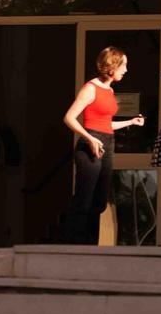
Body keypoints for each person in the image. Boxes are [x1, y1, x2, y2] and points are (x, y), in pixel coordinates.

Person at [61, 47, 145, 244]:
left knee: (99, 201)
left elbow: (106, 124)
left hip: (107, 142)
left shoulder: (109, 89)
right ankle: (74, 244)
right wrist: (89, 138)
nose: (126, 70)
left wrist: (130, 122)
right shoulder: (90, 88)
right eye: (123, 65)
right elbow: (69, 118)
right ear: (112, 65)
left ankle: (91, 244)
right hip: (91, 143)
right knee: (85, 198)